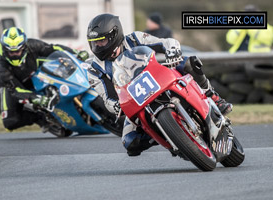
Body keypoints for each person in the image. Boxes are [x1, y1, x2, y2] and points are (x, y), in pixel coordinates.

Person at [86, 14, 232, 156]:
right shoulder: (94, 70)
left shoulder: (134, 39)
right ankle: (170, 136)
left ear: (114, 35)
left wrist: (172, 51)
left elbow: (167, 42)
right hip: (133, 100)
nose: (98, 46)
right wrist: (116, 106)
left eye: (101, 41)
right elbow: (107, 98)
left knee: (188, 63)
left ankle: (213, 97)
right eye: (94, 42)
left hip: (157, 77)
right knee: (130, 143)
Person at [0, 27, 89, 132]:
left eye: (17, 51)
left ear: (24, 47)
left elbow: (53, 48)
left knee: (59, 61)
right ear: (4, 50)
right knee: (10, 122)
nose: (15, 55)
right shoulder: (1, 67)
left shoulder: (32, 45)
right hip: (13, 85)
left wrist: (75, 53)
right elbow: (15, 90)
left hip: (34, 71)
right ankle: (39, 118)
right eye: (11, 52)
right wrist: (35, 97)